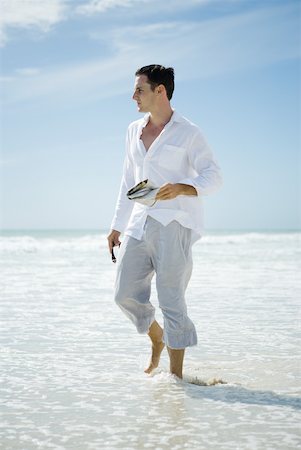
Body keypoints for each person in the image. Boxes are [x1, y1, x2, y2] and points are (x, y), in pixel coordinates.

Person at [107, 64, 222, 379]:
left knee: (172, 300)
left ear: (161, 91)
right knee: (124, 294)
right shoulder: (133, 130)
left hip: (175, 222)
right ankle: (156, 338)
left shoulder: (189, 132)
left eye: (140, 90)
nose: (134, 96)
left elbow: (214, 176)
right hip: (139, 219)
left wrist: (185, 187)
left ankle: (176, 380)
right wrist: (117, 225)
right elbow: (128, 180)